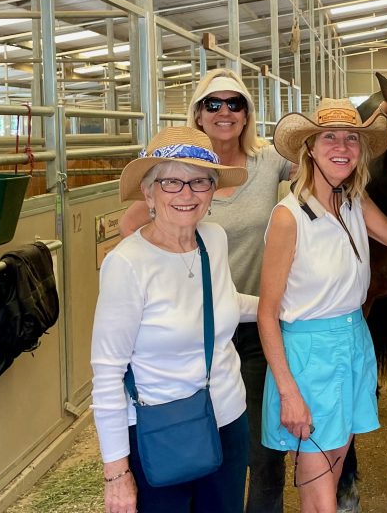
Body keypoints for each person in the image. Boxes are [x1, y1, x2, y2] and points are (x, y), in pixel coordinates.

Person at [119, 68, 293, 512]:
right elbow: (129, 227)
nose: (224, 111)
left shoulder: (268, 160)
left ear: (247, 113)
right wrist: (146, 281)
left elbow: (328, 163)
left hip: (253, 324)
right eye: (213, 103)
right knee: (196, 438)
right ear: (198, 112)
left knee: (260, 444)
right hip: (193, 330)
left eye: (235, 103)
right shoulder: (176, 172)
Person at [258, 98, 387, 513]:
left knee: (331, 471)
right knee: (321, 496)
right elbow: (267, 312)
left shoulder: (354, 201)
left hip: (354, 345)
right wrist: (288, 391)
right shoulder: (288, 217)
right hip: (309, 358)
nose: (342, 146)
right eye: (330, 136)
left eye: (352, 138)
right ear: (309, 147)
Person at [91, 126, 254, 513]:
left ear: (213, 192)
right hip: (160, 430)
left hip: (228, 418)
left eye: (200, 181)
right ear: (148, 192)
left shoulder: (213, 240)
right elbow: (107, 373)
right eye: (170, 182)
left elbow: (225, 303)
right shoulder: (127, 265)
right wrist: (116, 473)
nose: (186, 194)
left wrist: (283, 307)